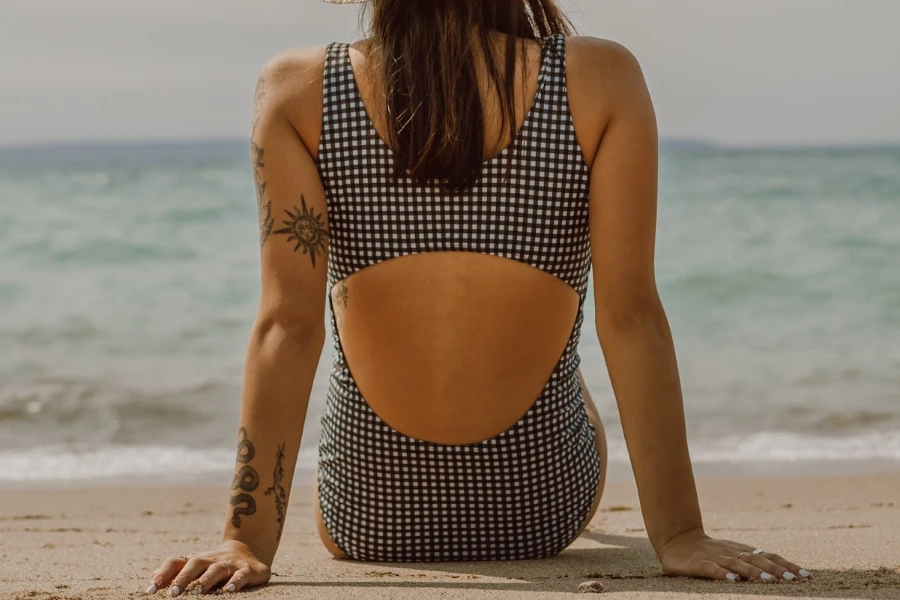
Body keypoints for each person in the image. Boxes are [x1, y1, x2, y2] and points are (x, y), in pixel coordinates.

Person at [146, 0, 810, 595]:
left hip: (367, 517)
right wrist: (680, 536)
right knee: (568, 374)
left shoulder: (296, 88)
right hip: (539, 508)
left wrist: (245, 542)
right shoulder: (601, 77)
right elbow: (630, 318)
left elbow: (286, 327)